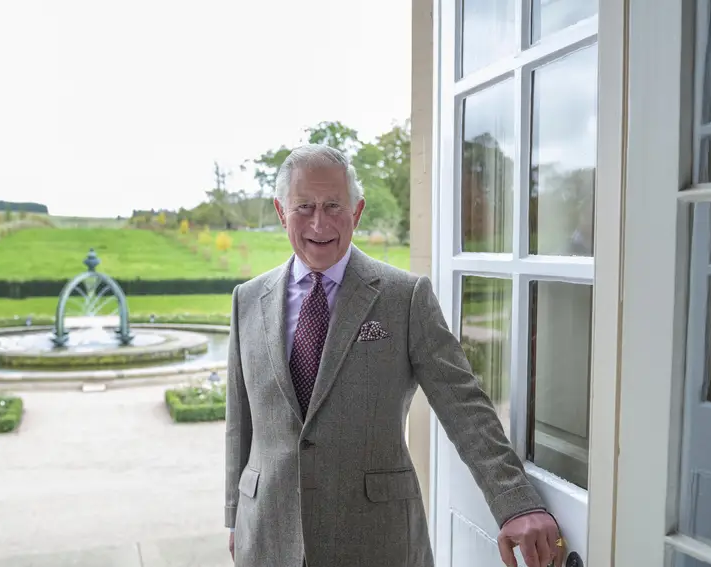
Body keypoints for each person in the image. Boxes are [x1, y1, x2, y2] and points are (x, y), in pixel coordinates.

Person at [224, 144, 562, 567]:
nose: (319, 223)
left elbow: (463, 404)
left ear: (357, 211)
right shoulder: (247, 299)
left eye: (333, 206)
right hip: (267, 535)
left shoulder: (405, 296)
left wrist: (516, 502)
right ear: (280, 211)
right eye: (304, 207)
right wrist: (236, 517)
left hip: (377, 538)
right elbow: (240, 422)